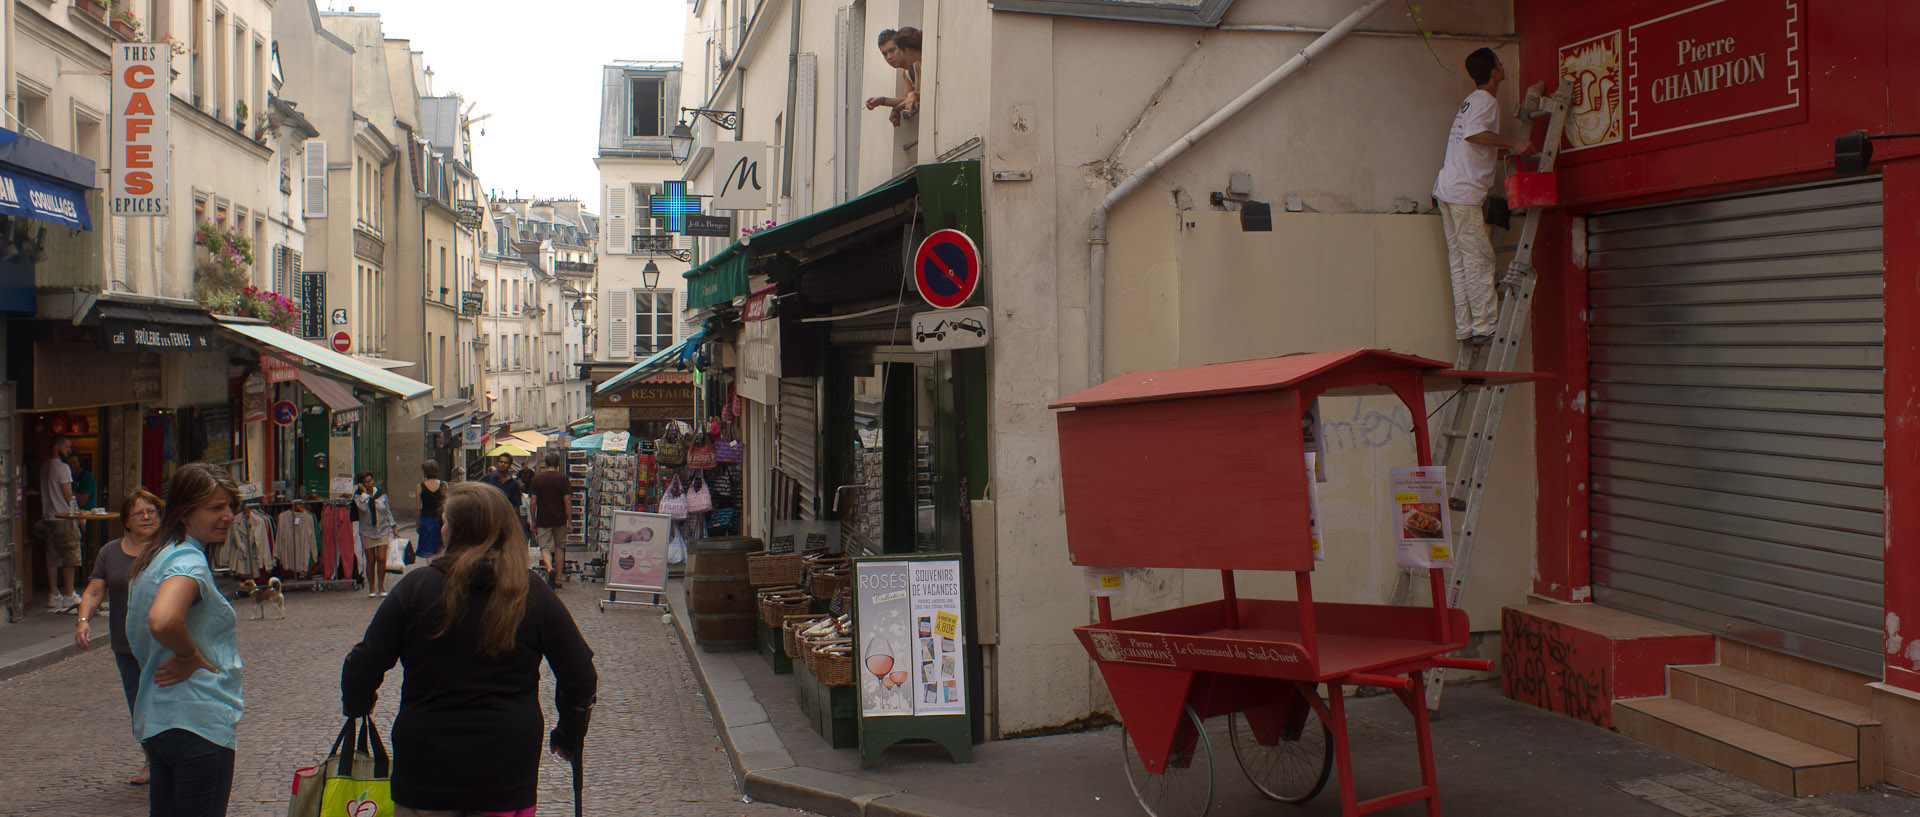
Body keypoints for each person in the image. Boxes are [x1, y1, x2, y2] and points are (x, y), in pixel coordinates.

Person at [340, 483, 597, 816]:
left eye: (445, 520)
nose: (442, 526)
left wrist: (359, 703)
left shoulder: (415, 590)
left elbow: (362, 665)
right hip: (505, 767)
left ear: (457, 530)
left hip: (427, 767)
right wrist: (569, 734)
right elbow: (580, 673)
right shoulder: (529, 592)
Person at [125, 463, 244, 817]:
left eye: (230, 507)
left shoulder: (155, 556)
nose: (227, 516)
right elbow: (162, 619)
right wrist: (189, 654)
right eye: (214, 508)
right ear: (183, 511)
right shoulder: (187, 560)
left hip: (161, 720)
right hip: (196, 720)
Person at [1433, 47, 1534, 345]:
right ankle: (1484, 326)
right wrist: (1514, 143)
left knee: (1460, 260)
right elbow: (1475, 135)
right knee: (1479, 258)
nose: (1503, 66)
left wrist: (1506, 149)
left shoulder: (1470, 101)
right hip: (1463, 193)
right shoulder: (1486, 101)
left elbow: (1475, 142)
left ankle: (1465, 327)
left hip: (1447, 190)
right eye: (1500, 63)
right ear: (1493, 71)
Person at [75, 488, 165, 786]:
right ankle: (152, 759)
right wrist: (83, 619)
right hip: (126, 644)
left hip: (166, 643)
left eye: (151, 511)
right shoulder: (110, 552)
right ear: (126, 521)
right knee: (139, 703)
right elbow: (95, 590)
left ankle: (173, 760)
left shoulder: (170, 548)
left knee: (167, 700)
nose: (146, 517)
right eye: (139, 513)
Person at [40, 434, 81, 612]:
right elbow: (67, 493)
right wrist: (78, 513)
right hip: (64, 517)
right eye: (66, 447)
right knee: (69, 556)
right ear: (57, 447)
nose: (68, 451)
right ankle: (70, 594)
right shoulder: (63, 467)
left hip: (49, 517)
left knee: (52, 557)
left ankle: (54, 594)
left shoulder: (44, 466)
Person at [528, 453, 574, 590]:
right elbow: (567, 501)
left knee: (545, 548)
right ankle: (559, 578)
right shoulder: (563, 478)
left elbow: (533, 501)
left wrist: (533, 520)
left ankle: (549, 568)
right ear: (558, 463)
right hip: (560, 518)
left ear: (545, 463)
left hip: (543, 518)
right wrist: (569, 521)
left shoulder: (537, 478)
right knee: (560, 547)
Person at [864, 27, 923, 127]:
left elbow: (917, 96)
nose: (889, 57)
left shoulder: (917, 63)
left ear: (902, 47)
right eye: (885, 54)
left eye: (892, 50)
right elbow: (907, 99)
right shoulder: (905, 73)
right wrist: (882, 101)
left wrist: (896, 107)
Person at [354, 471, 397, 597]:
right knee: (371, 559)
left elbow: (387, 510)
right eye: (366, 482)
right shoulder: (358, 496)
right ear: (361, 484)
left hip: (382, 529)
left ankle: (381, 587)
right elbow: (363, 508)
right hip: (367, 530)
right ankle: (372, 588)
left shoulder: (381, 494)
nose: (369, 484)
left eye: (370, 481)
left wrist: (394, 526)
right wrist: (363, 494)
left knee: (381, 558)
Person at [481, 455, 528, 534]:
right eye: (501, 462)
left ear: (509, 466)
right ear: (497, 463)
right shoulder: (488, 478)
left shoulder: (513, 484)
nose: (502, 464)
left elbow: (516, 506)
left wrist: (517, 524)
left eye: (505, 463)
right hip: (489, 519)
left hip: (505, 521)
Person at [416, 461, 446, 560]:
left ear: (425, 472)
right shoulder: (444, 485)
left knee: (428, 549)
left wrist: (418, 523)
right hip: (440, 518)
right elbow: (446, 504)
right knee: (439, 547)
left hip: (426, 519)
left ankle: (430, 566)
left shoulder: (420, 486)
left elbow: (417, 507)